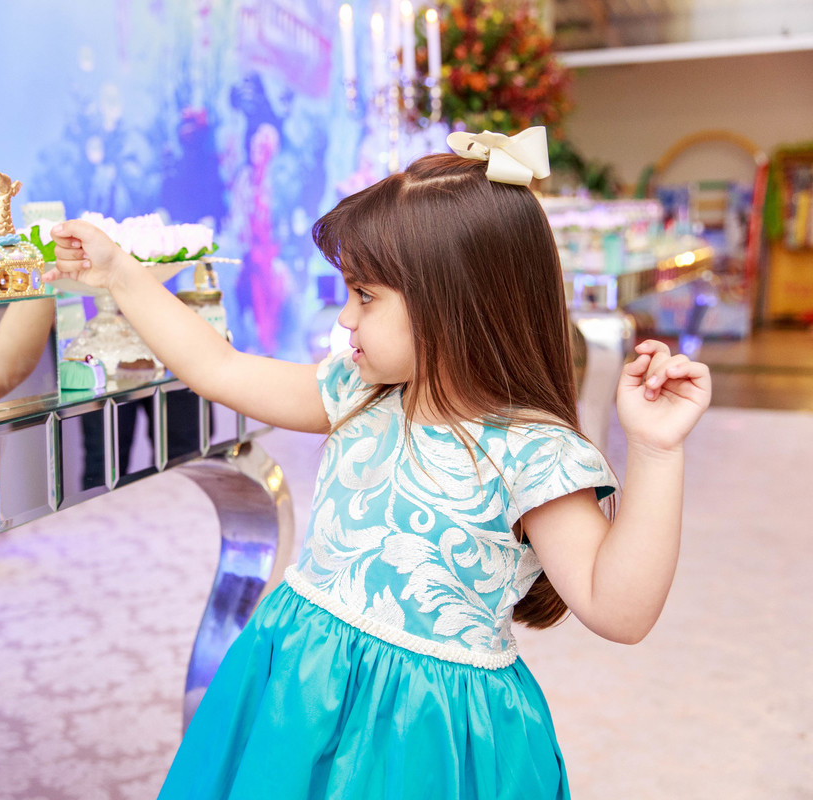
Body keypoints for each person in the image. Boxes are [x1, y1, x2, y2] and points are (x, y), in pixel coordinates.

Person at [44, 128, 712, 800]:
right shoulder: (357, 392)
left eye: (365, 295)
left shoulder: (533, 452)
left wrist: (657, 450)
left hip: (427, 740)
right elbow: (218, 366)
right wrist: (120, 274)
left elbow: (619, 611)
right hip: (299, 694)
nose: (345, 317)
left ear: (453, 302)